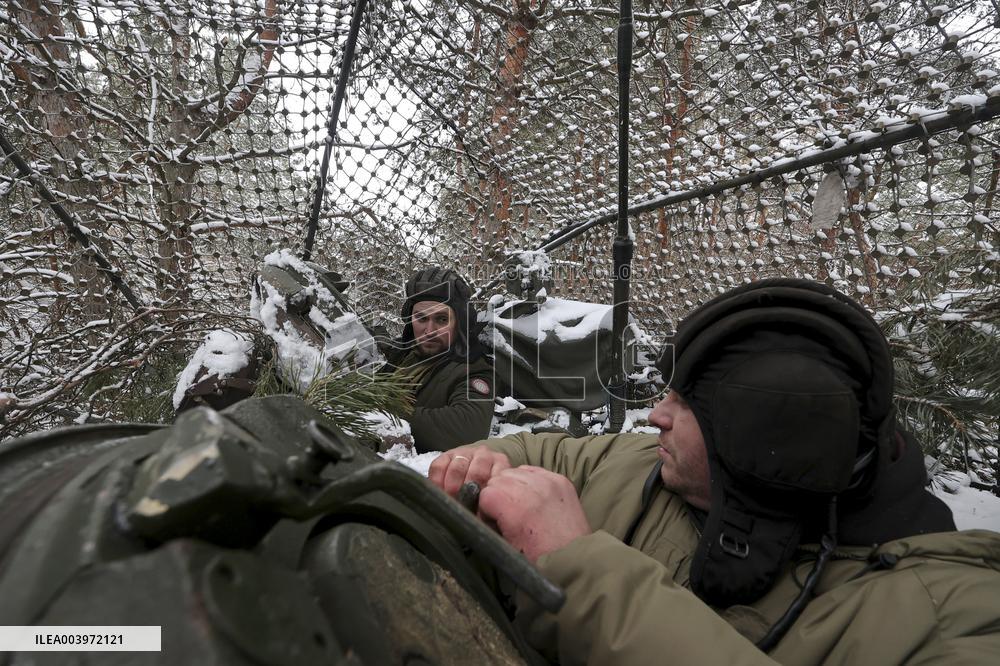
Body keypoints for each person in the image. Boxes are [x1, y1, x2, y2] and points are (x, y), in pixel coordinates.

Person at [429, 278, 1000, 664]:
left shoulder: (953, 616)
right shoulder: (645, 465)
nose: (655, 416)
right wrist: (486, 464)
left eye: (686, 404)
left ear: (759, 436)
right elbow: (542, 450)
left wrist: (579, 575)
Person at [384, 266, 494, 452]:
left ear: (460, 322)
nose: (429, 331)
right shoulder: (403, 355)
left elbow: (468, 429)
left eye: (442, 319)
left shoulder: (473, 368)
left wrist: (383, 413)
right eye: (421, 319)